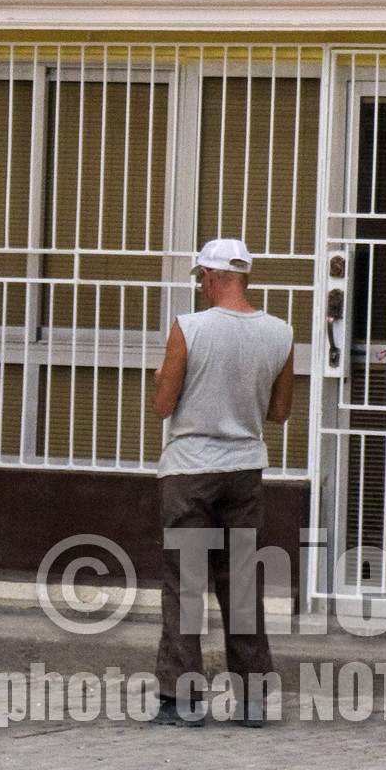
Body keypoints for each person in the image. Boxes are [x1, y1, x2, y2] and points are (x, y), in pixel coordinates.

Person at [152, 236, 295, 725]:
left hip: (190, 470)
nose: (200, 286)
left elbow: (162, 405)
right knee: (240, 585)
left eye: (200, 278)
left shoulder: (188, 329)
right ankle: (252, 702)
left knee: (186, 585)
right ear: (246, 277)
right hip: (244, 471)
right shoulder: (280, 333)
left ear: (209, 277)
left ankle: (182, 701)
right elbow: (279, 412)